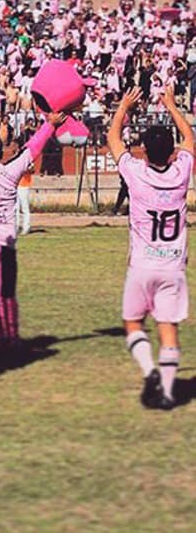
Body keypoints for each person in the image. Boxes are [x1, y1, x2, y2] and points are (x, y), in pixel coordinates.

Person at [107, 86, 192, 410]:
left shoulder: (135, 173)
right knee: (168, 329)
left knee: (133, 323)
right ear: (172, 153)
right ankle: (168, 394)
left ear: (143, 150)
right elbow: (189, 139)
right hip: (173, 265)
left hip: (142, 265)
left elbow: (113, 139)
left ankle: (150, 371)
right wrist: (170, 105)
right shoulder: (182, 172)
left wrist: (124, 106)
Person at [0, 113, 66, 352]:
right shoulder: (11, 171)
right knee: (6, 293)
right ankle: (9, 336)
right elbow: (33, 148)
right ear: (1, 152)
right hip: (5, 243)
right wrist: (50, 125)